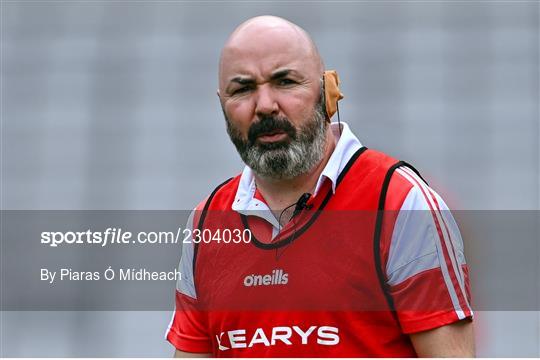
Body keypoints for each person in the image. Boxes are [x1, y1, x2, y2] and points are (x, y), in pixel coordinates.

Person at [166, 16, 474, 357]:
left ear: (327, 92)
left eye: (284, 81)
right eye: (243, 89)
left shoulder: (400, 203)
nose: (265, 105)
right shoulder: (206, 223)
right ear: (222, 105)